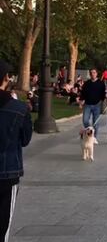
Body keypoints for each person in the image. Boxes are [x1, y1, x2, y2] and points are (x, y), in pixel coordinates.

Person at [0, 60, 32, 242]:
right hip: (8, 170)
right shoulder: (19, 108)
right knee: (3, 222)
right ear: (6, 79)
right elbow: (26, 139)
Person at [80, 68, 106, 143]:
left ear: (96, 74)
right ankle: (89, 131)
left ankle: (94, 138)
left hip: (97, 105)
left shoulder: (101, 83)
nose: (92, 74)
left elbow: (103, 94)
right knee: (85, 120)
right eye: (91, 73)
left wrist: (102, 103)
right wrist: (81, 101)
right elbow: (83, 93)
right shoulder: (87, 83)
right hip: (87, 104)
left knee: (96, 122)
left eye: (94, 72)